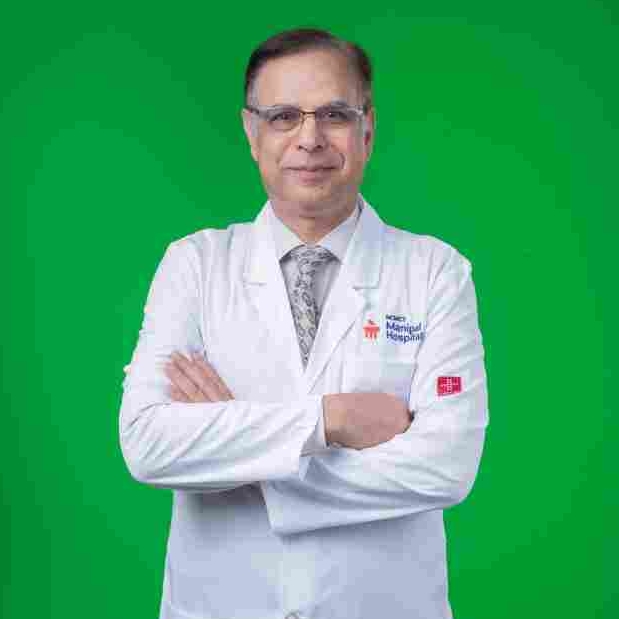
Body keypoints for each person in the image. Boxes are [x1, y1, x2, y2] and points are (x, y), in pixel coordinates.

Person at [119, 27, 489, 619]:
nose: (309, 138)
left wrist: (237, 453)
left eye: (335, 115)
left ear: (368, 129)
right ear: (252, 133)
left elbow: (446, 465)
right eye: (284, 116)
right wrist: (330, 419)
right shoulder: (195, 264)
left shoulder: (434, 272)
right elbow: (148, 444)